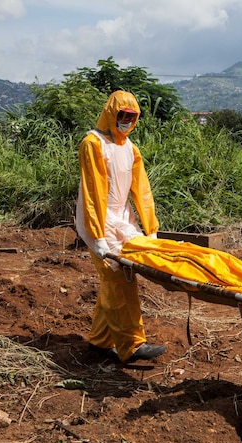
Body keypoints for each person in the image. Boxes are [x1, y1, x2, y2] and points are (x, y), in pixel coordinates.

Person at [75, 90, 167, 363]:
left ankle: (100, 340)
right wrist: (97, 235)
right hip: (99, 221)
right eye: (122, 115)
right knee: (118, 280)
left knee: (117, 279)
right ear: (111, 114)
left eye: (131, 116)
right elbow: (93, 192)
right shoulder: (93, 144)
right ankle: (131, 345)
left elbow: (142, 189)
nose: (126, 120)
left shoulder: (130, 148)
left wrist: (150, 227)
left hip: (123, 220)